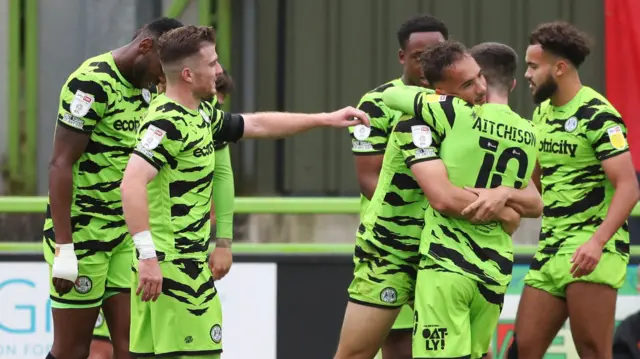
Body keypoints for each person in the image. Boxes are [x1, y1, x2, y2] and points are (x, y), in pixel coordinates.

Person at [120, 25, 370, 358]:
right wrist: (148, 256)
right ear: (188, 75)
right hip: (175, 271)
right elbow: (132, 181)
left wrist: (324, 119)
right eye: (211, 64)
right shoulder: (168, 123)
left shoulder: (201, 114)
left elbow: (257, 124)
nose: (219, 71)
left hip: (170, 269)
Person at [382, 40, 543, 359]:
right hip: (496, 270)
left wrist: (437, 94)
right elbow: (536, 202)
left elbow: (391, 95)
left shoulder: (453, 111)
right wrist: (503, 201)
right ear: (512, 83)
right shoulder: (530, 131)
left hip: (448, 263)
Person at [43, 17, 184, 359]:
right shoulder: (91, 84)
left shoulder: (149, 89)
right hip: (83, 235)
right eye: (161, 70)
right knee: (73, 351)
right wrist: (65, 248)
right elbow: (61, 164)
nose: (161, 80)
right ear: (145, 47)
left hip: (124, 237)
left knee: (132, 348)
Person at [507, 21, 640, 359]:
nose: (527, 74)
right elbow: (531, 186)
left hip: (591, 251)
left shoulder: (598, 115)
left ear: (560, 68)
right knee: (522, 349)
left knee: (593, 352)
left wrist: (596, 243)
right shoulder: (541, 114)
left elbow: (628, 187)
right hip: (550, 250)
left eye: (534, 66)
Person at [336, 14, 448, 359]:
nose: (429, 64)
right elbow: (369, 179)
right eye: (419, 56)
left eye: (438, 54)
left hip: (446, 243)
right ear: (402, 57)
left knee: (453, 345)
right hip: (393, 244)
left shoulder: (461, 102)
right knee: (398, 345)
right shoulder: (377, 103)